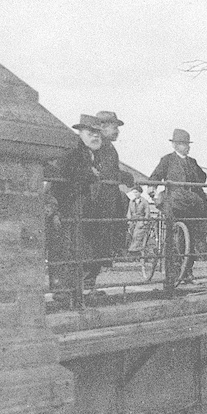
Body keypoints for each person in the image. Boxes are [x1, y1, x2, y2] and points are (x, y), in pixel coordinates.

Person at [45, 115, 106, 305]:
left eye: (98, 134)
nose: (95, 137)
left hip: (76, 207)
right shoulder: (72, 151)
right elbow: (61, 172)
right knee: (62, 248)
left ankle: (72, 291)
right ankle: (62, 292)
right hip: (62, 206)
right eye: (91, 133)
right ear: (80, 133)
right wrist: (90, 174)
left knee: (75, 248)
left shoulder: (88, 152)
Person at [148, 129, 207, 285]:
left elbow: (202, 178)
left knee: (191, 238)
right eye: (183, 144)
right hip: (174, 203)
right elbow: (155, 175)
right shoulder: (167, 160)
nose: (186, 147)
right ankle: (175, 272)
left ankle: (187, 271)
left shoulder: (192, 162)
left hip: (191, 204)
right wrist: (152, 187)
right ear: (175, 145)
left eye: (187, 144)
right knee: (175, 237)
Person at [93, 110, 129, 261]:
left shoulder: (108, 147)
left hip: (107, 197)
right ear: (103, 127)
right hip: (99, 197)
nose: (118, 131)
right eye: (115, 127)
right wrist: (125, 176)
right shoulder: (98, 145)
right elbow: (107, 172)